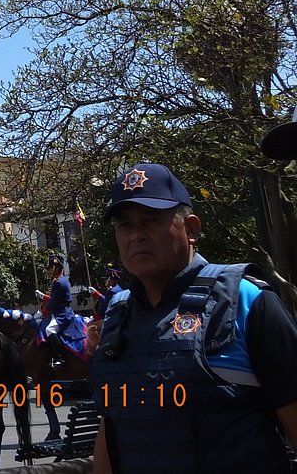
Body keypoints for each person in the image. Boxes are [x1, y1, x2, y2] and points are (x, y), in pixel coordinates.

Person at [90, 162, 297, 474]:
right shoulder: (117, 313)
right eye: (125, 225)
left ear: (191, 229)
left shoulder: (247, 300)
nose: (136, 236)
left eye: (151, 220)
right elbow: (112, 428)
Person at [38, 254, 84, 367]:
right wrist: (44, 297)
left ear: (56, 268)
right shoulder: (59, 280)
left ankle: (60, 358)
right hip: (59, 310)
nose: (48, 271)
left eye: (50, 268)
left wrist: (43, 313)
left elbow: (53, 303)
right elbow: (55, 299)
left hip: (62, 313)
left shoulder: (59, 282)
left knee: (49, 330)